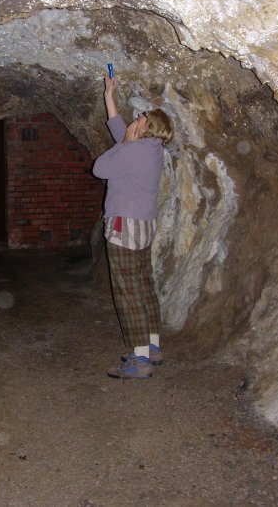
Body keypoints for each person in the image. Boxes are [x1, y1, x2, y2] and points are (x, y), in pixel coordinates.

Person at [92, 74, 173, 379]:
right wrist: (109, 95)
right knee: (143, 286)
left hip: (124, 228)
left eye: (139, 118)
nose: (134, 119)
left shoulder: (134, 150)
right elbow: (119, 134)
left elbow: (99, 168)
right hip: (142, 226)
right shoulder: (151, 149)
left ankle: (140, 360)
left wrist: (124, 142)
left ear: (146, 127)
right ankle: (152, 346)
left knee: (128, 292)